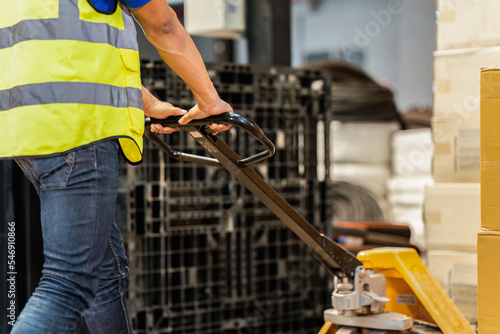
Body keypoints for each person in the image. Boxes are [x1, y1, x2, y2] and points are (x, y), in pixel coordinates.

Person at [0, 0, 232, 332]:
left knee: (104, 275)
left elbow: (65, 51)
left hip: (29, 131)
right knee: (67, 285)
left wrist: (148, 102)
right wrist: (209, 101)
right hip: (79, 131)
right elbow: (163, 24)